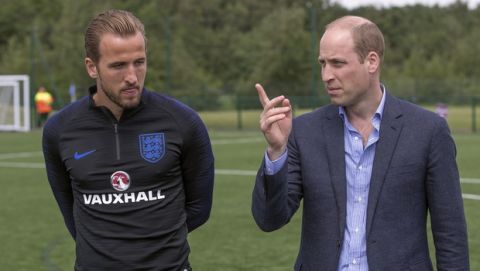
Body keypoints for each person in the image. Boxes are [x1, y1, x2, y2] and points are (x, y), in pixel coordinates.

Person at [252, 15, 469, 270]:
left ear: (371, 61)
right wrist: (277, 150)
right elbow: (269, 219)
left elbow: (450, 233)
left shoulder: (428, 130)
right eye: (322, 63)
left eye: (337, 63)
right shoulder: (304, 130)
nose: (326, 75)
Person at [42, 10, 214, 271]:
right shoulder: (60, 130)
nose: (132, 76)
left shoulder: (183, 122)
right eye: (118, 65)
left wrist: (154, 245)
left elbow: (199, 209)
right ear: (92, 67)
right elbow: (72, 213)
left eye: (139, 62)